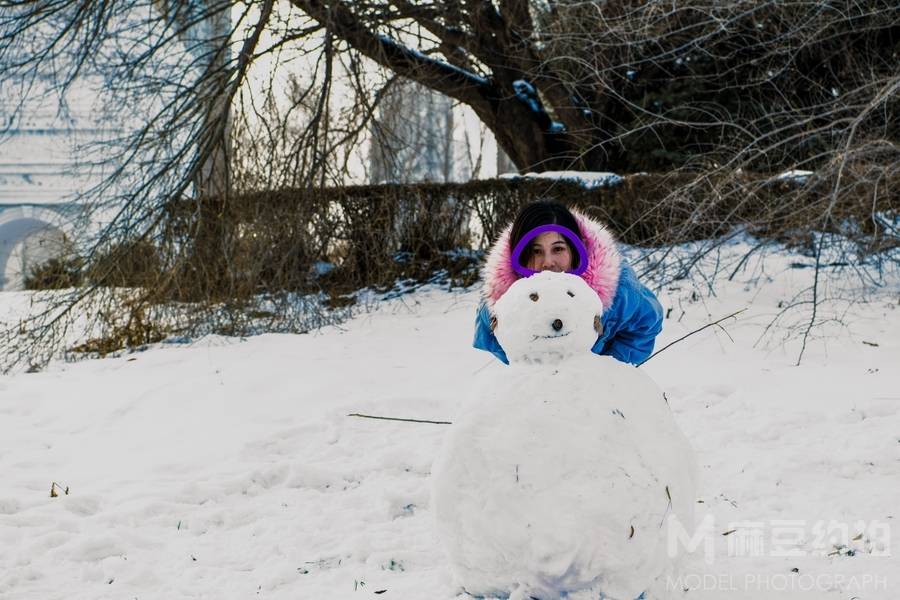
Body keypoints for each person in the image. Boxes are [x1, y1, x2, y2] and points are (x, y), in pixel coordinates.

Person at [474, 201, 663, 365]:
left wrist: (607, 368)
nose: (548, 262)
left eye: (558, 249)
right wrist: (528, 366)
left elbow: (646, 324)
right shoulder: (503, 300)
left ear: (575, 249)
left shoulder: (618, 289)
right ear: (520, 256)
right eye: (536, 251)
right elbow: (493, 339)